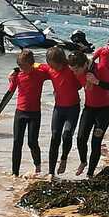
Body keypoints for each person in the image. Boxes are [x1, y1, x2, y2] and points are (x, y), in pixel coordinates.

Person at [0, 50, 49, 177]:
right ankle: (15, 173)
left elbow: (52, 69)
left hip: (35, 114)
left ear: (31, 64)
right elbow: (10, 93)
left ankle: (38, 168)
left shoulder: (40, 74)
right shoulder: (18, 76)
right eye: (19, 66)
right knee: (17, 142)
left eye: (23, 66)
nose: (21, 69)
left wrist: (33, 65)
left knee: (32, 142)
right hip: (20, 113)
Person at [68, 50, 109, 178]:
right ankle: (83, 161)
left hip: (104, 110)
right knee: (80, 138)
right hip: (89, 109)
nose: (74, 73)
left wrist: (97, 82)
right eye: (72, 70)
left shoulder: (100, 68)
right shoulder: (76, 71)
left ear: (85, 65)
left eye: (76, 70)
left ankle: (90, 174)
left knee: (96, 142)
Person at [38, 47, 81, 179]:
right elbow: (35, 65)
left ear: (61, 61)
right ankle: (51, 172)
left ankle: (63, 158)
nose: (51, 66)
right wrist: (16, 70)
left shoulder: (71, 69)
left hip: (73, 108)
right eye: (49, 64)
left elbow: (82, 81)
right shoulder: (50, 69)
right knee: (55, 136)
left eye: (53, 64)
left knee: (67, 134)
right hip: (58, 109)